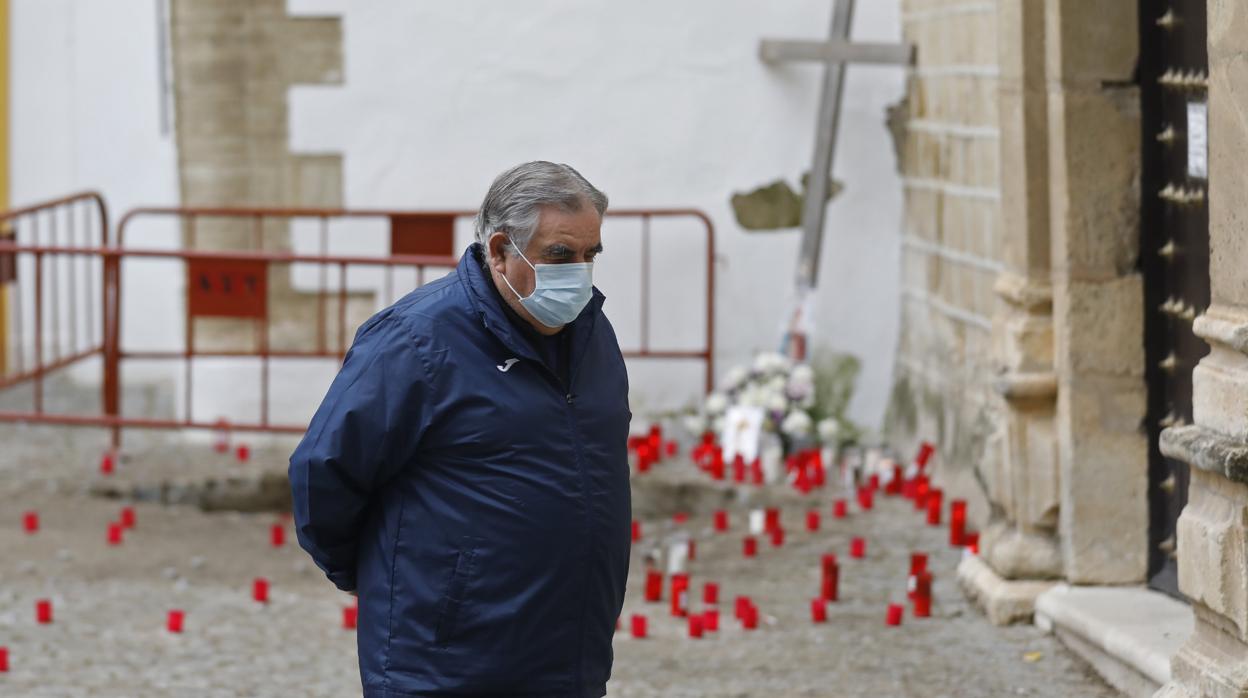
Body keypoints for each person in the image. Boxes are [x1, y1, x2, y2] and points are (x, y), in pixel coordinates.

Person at [288, 162, 632, 697]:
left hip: (567, 652)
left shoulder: (592, 333)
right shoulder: (417, 340)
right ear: (499, 251)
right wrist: (397, 579)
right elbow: (324, 472)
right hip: (447, 661)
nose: (579, 273)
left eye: (591, 256)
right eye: (561, 255)